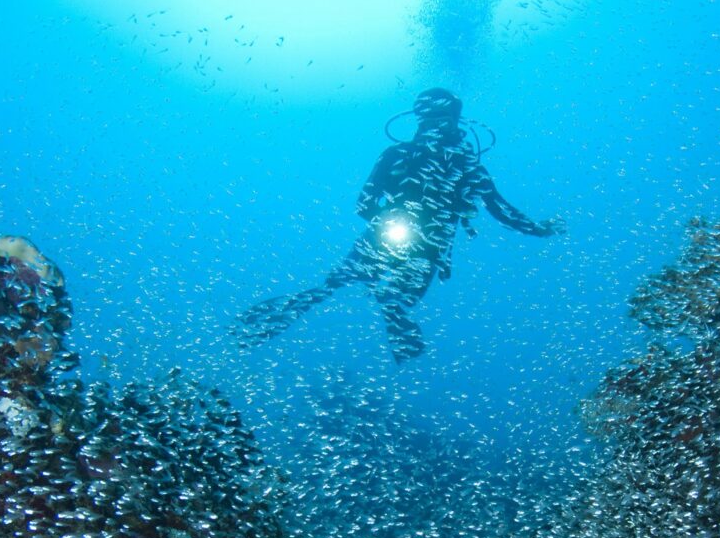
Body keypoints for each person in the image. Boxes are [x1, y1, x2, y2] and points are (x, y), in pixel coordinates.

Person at [235, 88, 563, 361]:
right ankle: (266, 323)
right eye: (429, 121)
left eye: (442, 121)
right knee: (332, 286)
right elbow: (365, 201)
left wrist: (539, 228)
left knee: (394, 301)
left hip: (428, 247)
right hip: (385, 237)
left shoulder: (467, 166)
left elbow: (500, 208)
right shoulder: (397, 155)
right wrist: (387, 222)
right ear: (419, 122)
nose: (435, 127)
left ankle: (396, 330)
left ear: (454, 123)